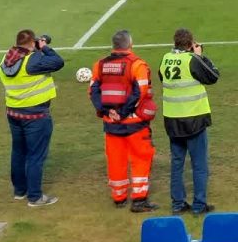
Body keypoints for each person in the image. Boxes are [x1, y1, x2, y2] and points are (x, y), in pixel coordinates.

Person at [89, 30, 158, 212]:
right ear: (130, 44)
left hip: (111, 124)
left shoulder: (100, 65)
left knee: (115, 160)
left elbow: (93, 92)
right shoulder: (137, 65)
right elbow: (140, 92)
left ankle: (119, 197)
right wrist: (122, 112)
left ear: (114, 46)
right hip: (134, 123)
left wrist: (106, 111)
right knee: (141, 158)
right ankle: (139, 200)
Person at [0, 29, 64, 207]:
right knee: (35, 156)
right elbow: (58, 62)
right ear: (31, 43)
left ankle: (20, 191)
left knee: (19, 152)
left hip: (13, 113)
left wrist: (35, 50)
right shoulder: (32, 61)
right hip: (35, 115)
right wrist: (44, 48)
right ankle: (35, 197)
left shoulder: (5, 59)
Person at [160, 28, 220, 215]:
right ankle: (199, 205)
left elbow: (163, 78)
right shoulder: (192, 60)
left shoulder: (165, 59)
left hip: (172, 119)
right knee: (199, 164)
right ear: (190, 43)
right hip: (193, 119)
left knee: (177, 163)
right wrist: (201, 56)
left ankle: (178, 204)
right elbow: (213, 76)